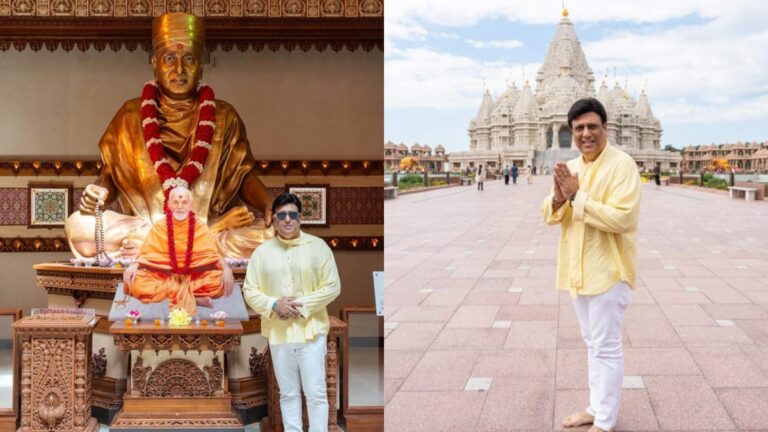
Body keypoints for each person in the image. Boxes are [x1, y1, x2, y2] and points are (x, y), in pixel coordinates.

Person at [66, 12, 273, 260]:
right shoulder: (130, 115)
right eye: (169, 58)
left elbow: (243, 175)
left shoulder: (224, 115)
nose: (179, 69)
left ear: (200, 67)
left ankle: (160, 246)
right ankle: (203, 236)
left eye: (189, 59)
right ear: (155, 64)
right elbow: (109, 180)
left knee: (275, 233)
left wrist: (269, 204)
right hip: (147, 224)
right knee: (78, 226)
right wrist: (98, 194)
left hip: (182, 224)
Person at [541, 98, 641, 432]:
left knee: (607, 347)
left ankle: (606, 420)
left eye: (592, 126)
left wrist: (576, 197)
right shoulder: (572, 168)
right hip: (577, 270)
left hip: (608, 271)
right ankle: (596, 408)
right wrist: (558, 197)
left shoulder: (622, 165)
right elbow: (548, 215)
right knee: (593, 344)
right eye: (579, 128)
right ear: (572, 132)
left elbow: (623, 218)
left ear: (605, 128)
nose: (586, 134)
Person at [243, 192, 340, 432]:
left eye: (292, 215)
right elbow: (250, 290)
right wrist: (275, 305)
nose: (287, 220)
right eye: (282, 215)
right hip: (280, 334)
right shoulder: (262, 253)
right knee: (287, 394)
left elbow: (333, 286)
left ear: (300, 218)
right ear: (274, 220)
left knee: (316, 393)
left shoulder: (318, 247)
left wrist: (299, 306)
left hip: (311, 333)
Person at [123, 186, 234, 316]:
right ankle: (195, 298)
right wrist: (133, 266)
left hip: (194, 276)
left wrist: (226, 269)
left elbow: (213, 255)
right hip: (165, 276)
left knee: (218, 280)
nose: (180, 206)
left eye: (184, 202)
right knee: (137, 282)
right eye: (175, 202)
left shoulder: (199, 226)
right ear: (169, 205)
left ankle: (179, 294)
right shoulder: (160, 226)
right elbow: (147, 253)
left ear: (191, 205)